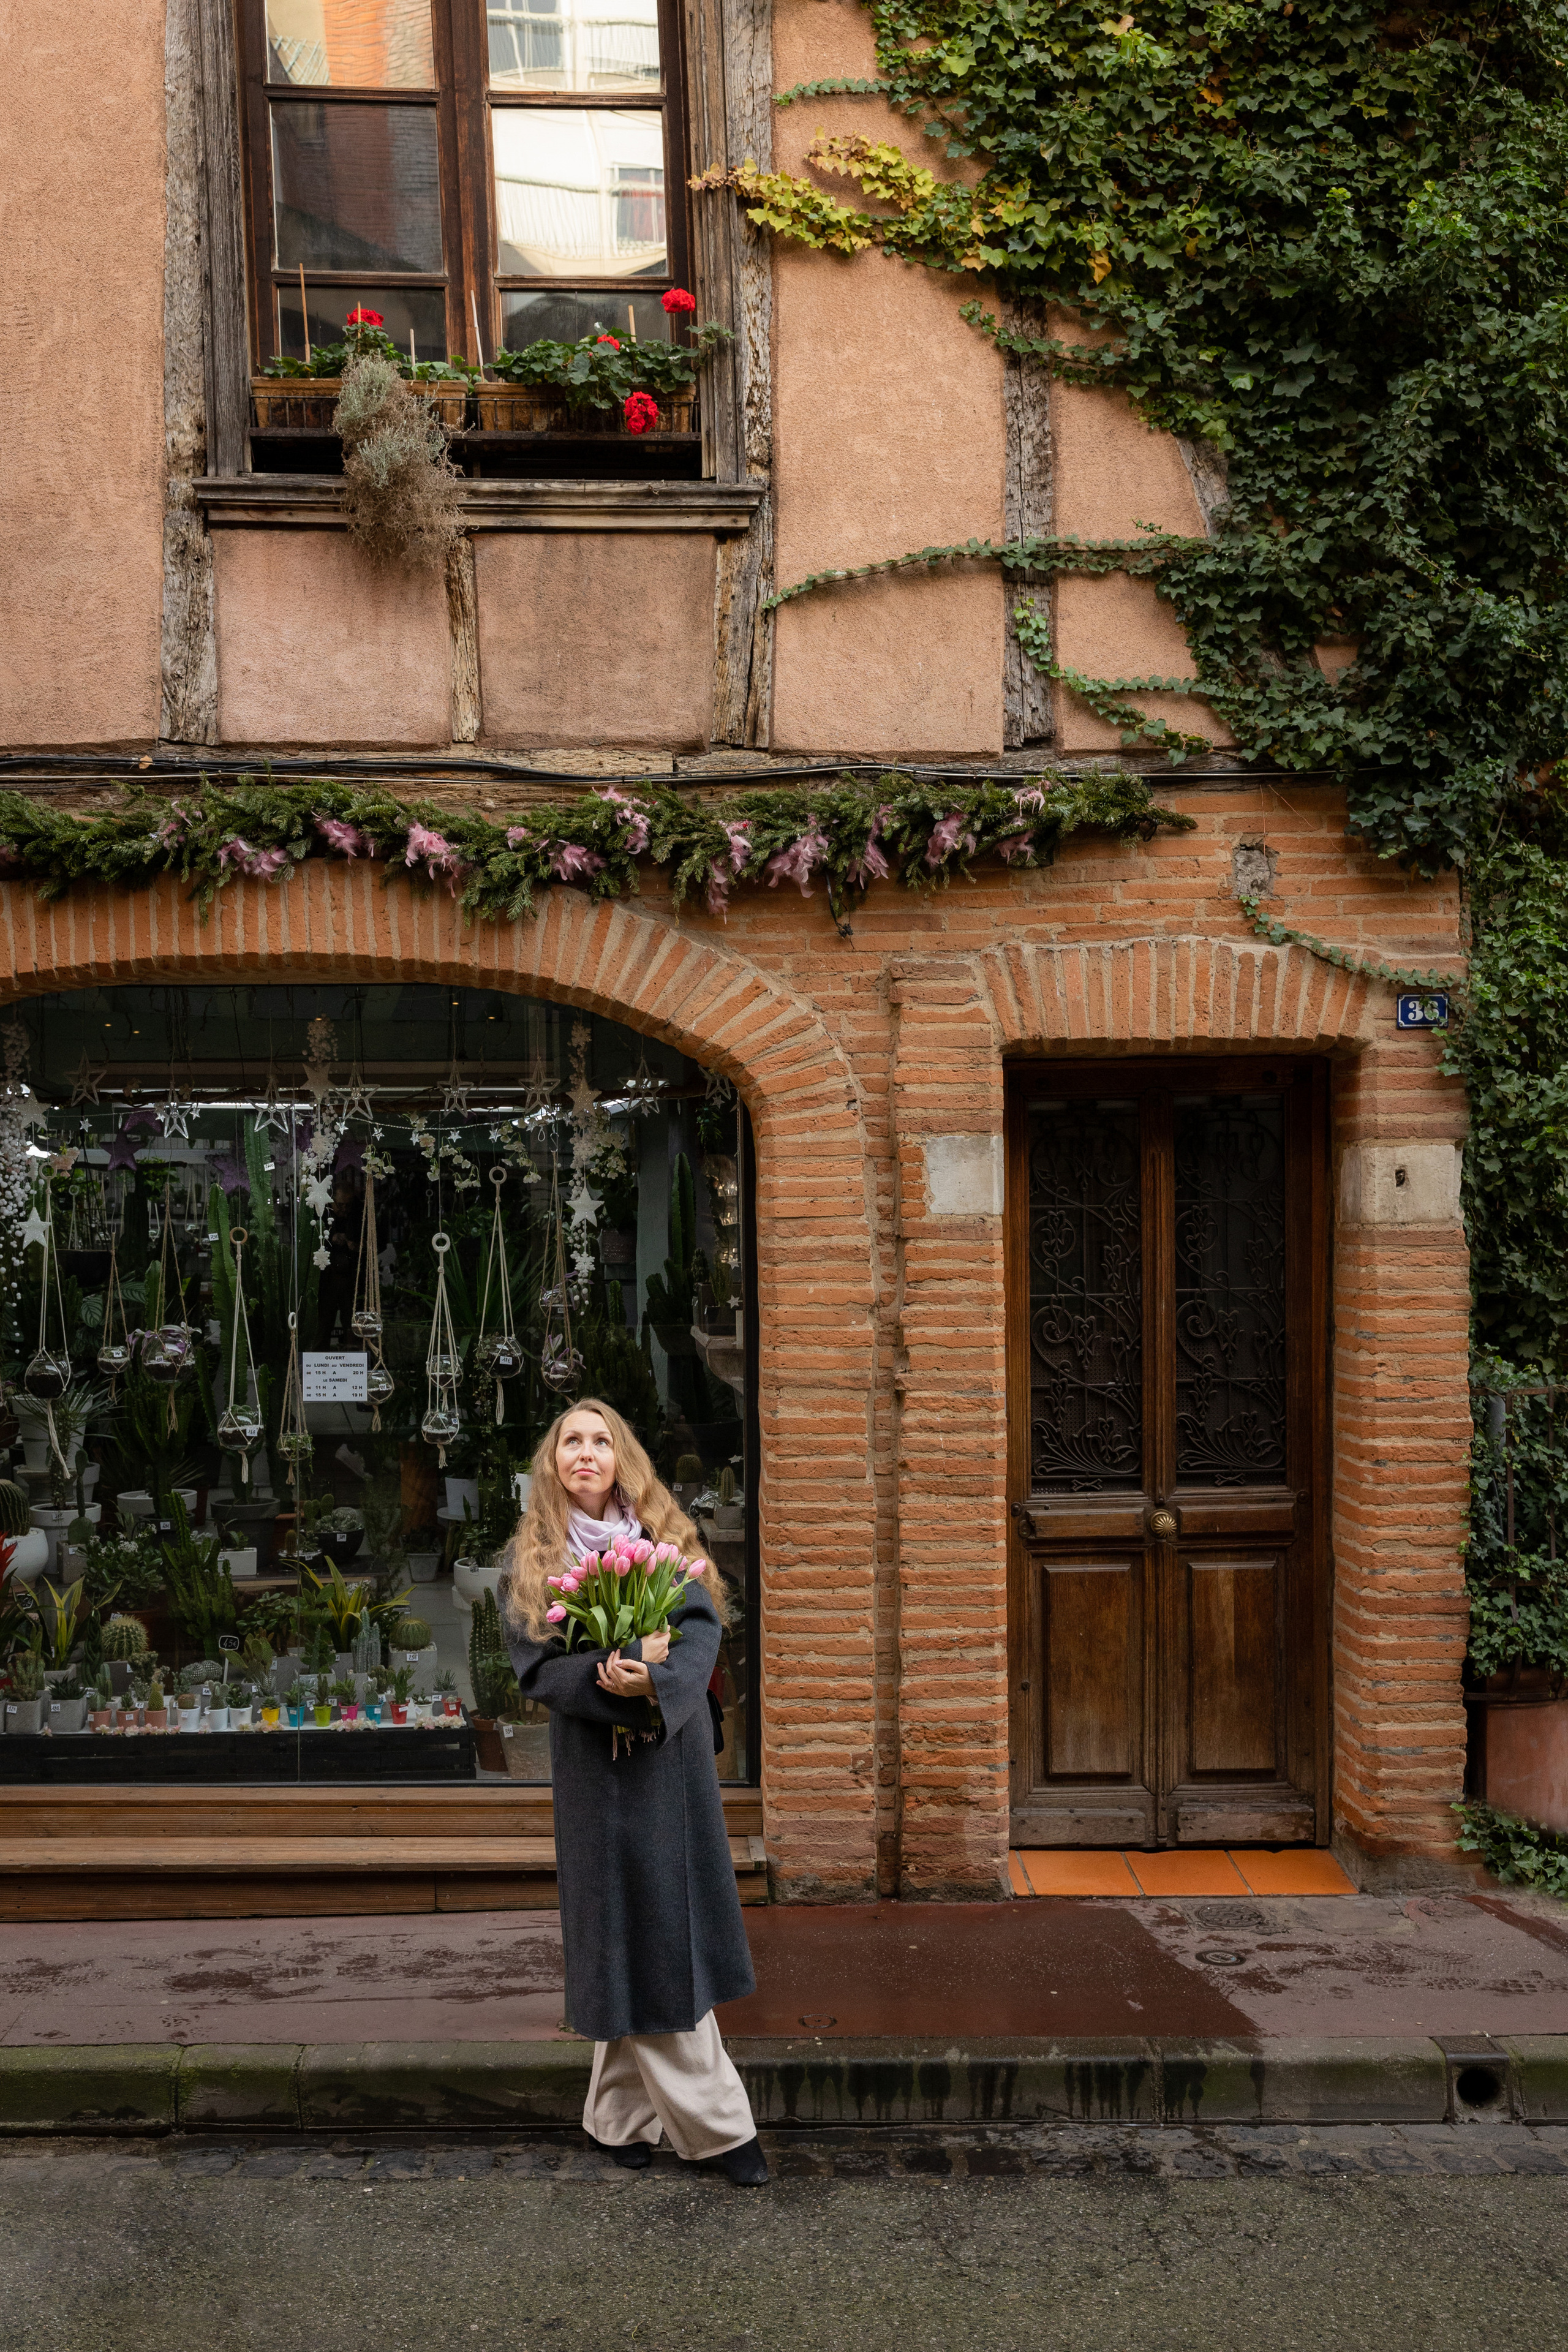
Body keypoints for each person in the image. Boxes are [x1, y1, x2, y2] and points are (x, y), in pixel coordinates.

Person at [499, 1398, 767, 2187]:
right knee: (639, 1933)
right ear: (554, 1463)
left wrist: (654, 1677)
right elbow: (537, 1668)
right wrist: (606, 1670)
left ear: (623, 1460)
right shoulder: (534, 1557)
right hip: (596, 1779)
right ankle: (722, 2131)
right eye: (570, 1442)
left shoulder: (662, 1540)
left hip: (666, 1770)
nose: (586, 1453)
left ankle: (616, 2117)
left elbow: (701, 1630)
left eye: (601, 1441)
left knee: (655, 1930)